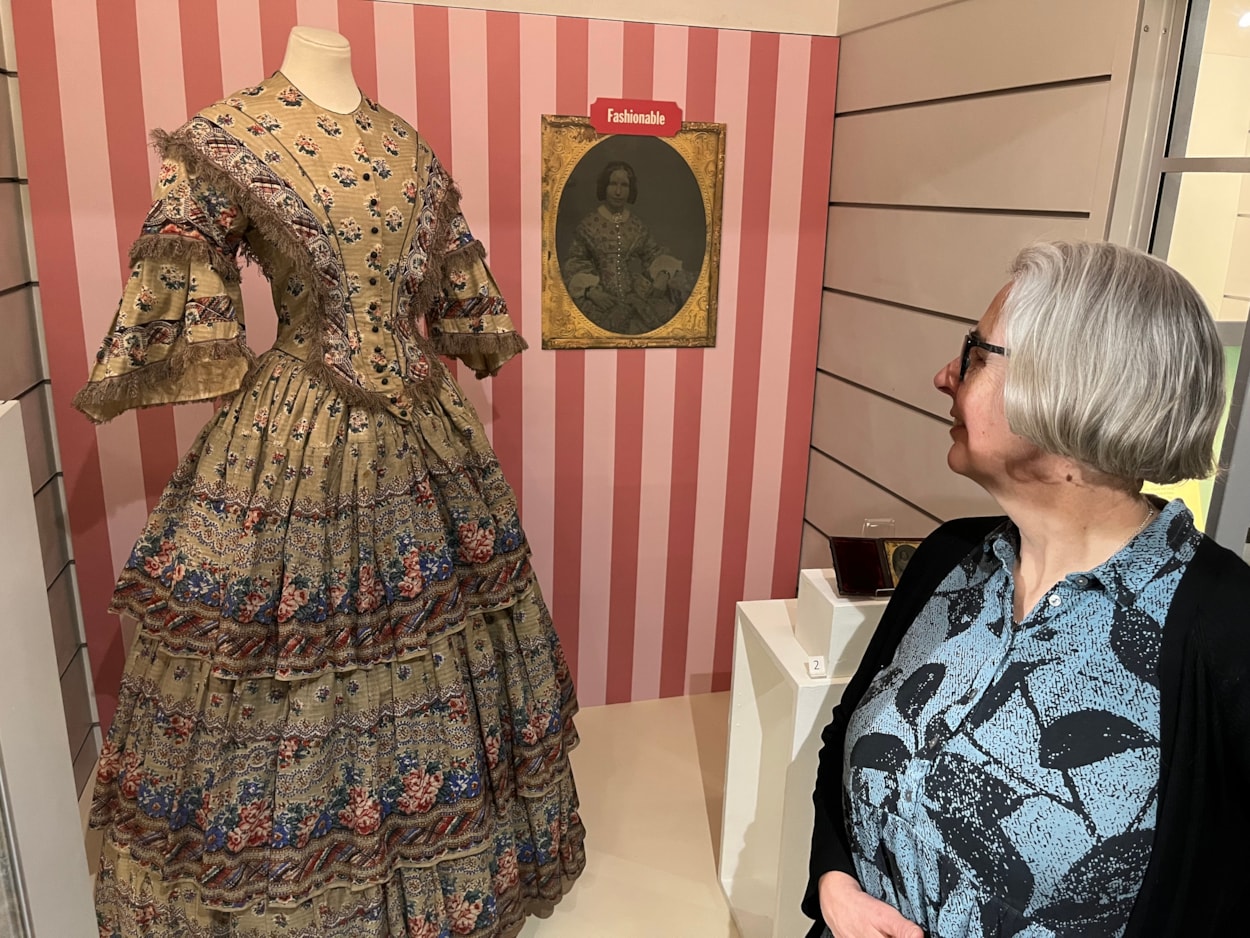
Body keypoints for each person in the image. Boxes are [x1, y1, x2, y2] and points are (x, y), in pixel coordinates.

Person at [76, 28, 585, 938]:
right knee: (292, 656)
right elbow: (188, 301)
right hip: (298, 438)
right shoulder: (231, 135)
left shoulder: (411, 148)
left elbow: (458, 299)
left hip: (425, 440)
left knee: (434, 641)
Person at [804, 240, 1250, 938]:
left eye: (977, 355)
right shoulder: (951, 558)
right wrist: (833, 882)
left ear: (1072, 386)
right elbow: (850, 737)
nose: (945, 375)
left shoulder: (1225, 629)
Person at [562, 160, 693, 335]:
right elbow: (575, 261)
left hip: (636, 294)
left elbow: (652, 253)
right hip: (600, 298)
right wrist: (590, 291)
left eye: (624, 185)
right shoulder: (588, 225)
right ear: (604, 187)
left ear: (631, 190)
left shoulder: (637, 226)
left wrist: (663, 274)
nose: (618, 192)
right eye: (613, 184)